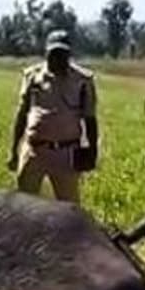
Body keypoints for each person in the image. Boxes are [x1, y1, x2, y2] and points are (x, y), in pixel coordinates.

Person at [9, 29, 99, 203]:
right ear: (46, 53)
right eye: (54, 53)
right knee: (24, 205)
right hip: (34, 151)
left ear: (69, 55)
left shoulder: (82, 80)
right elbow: (22, 114)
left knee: (68, 209)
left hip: (66, 153)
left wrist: (92, 152)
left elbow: (90, 119)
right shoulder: (32, 77)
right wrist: (14, 150)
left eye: (63, 54)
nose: (58, 58)